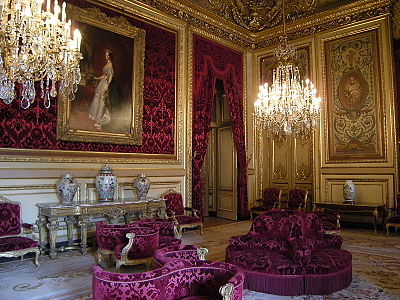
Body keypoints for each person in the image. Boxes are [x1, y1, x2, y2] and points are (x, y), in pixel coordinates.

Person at [89, 50, 114, 130]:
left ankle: (100, 119)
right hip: (102, 82)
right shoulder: (107, 64)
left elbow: (110, 76)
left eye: (107, 55)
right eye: (106, 55)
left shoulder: (110, 65)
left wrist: (107, 85)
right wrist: (97, 78)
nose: (106, 56)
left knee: (102, 101)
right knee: (98, 98)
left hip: (105, 84)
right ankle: (95, 115)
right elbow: (104, 75)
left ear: (110, 56)